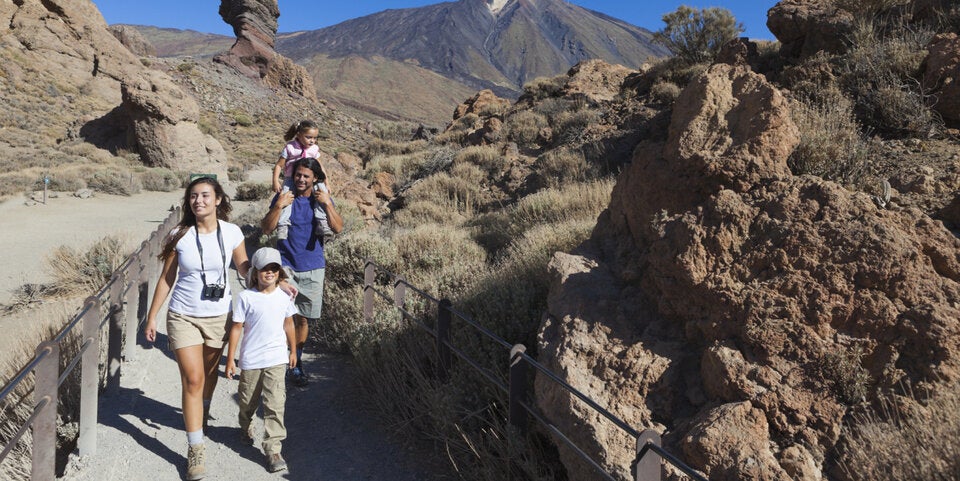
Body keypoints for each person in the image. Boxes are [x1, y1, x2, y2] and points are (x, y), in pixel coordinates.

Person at [144, 176, 249, 481]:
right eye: (193, 196)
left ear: (218, 200)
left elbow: (243, 267)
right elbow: (166, 278)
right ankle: (195, 448)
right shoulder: (180, 234)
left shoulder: (232, 232)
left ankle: (202, 409)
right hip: (183, 316)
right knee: (193, 378)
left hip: (219, 316)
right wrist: (152, 317)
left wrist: (265, 274)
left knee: (209, 375)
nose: (198, 200)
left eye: (205, 195)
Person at [261, 157, 343, 386]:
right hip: (285, 267)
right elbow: (266, 228)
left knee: (303, 320)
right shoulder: (284, 198)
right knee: (282, 316)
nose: (301, 179)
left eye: (306, 176)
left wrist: (327, 204)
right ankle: (280, 361)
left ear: (315, 178)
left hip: (313, 266)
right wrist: (278, 205)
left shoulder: (321, 199)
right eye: (298, 174)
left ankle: (296, 362)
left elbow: (337, 228)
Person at [224, 247, 297, 473]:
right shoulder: (246, 297)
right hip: (252, 359)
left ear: (280, 273)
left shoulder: (284, 297)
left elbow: (289, 324)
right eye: (264, 269)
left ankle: (273, 448)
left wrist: (293, 350)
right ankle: (245, 426)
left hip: (276, 357)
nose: (269, 272)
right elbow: (236, 328)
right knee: (247, 401)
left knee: (275, 403)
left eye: (274, 268)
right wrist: (230, 359)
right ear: (254, 272)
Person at [271, 120, 335, 243]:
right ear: (299, 134)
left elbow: (320, 166)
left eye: (315, 138)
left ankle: (322, 222)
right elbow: (279, 165)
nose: (312, 141)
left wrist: (326, 182)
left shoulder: (314, 149)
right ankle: (283, 225)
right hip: (291, 179)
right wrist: (275, 181)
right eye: (308, 137)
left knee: (322, 194)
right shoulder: (290, 147)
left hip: (312, 179)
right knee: (286, 198)